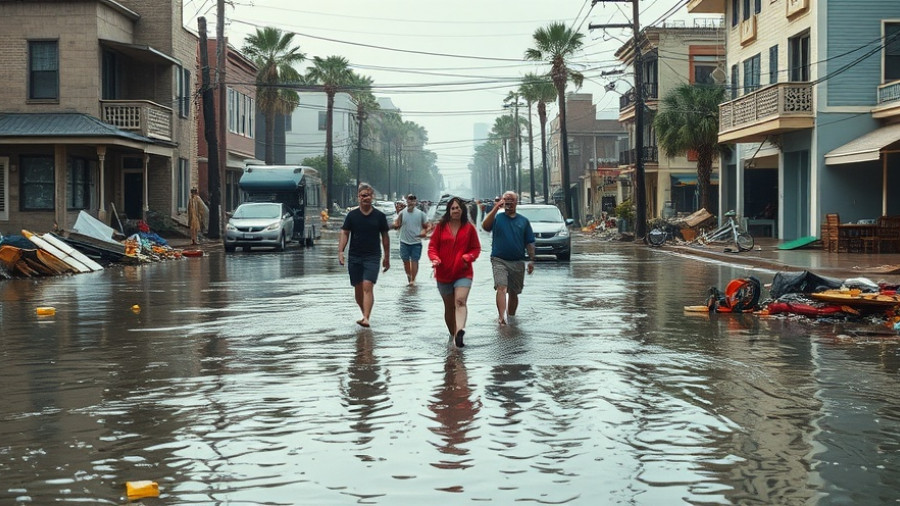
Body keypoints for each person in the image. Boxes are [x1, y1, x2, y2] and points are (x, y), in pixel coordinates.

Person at [428, 196, 481, 347]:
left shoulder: (469, 228)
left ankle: (459, 332)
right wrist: (435, 259)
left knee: (460, 301)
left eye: (458, 207)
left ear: (462, 210)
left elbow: (476, 248)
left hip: (463, 272)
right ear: (449, 211)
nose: (455, 210)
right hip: (443, 273)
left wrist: (468, 257)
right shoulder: (441, 227)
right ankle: (453, 334)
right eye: (453, 208)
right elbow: (432, 247)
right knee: (449, 307)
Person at [338, 183, 391, 328]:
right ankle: (364, 314)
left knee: (368, 285)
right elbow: (345, 232)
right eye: (362, 196)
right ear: (358, 198)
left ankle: (366, 318)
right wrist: (341, 252)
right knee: (358, 289)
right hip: (355, 256)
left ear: (372, 196)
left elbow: (385, 237)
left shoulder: (379, 216)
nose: (365, 198)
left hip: (372, 256)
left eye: (368, 195)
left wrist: (387, 257)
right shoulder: (352, 215)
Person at [481, 191, 535, 325]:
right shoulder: (498, 218)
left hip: (517, 261)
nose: (509, 202)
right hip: (499, 259)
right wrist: (495, 208)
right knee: (501, 287)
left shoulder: (523, 221)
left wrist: (531, 260)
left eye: (511, 200)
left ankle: (511, 316)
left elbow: (529, 242)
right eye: (506, 200)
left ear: (516, 202)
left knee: (513, 292)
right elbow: (485, 227)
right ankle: (501, 317)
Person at [393, 193, 430, 285]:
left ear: (415, 202)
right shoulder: (402, 213)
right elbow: (397, 225)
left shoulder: (421, 214)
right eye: (409, 199)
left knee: (414, 261)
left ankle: (413, 280)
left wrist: (424, 232)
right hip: (404, 242)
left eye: (413, 200)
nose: (411, 201)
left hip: (416, 242)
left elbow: (427, 226)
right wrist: (396, 224)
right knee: (405, 261)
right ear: (407, 201)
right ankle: (409, 277)